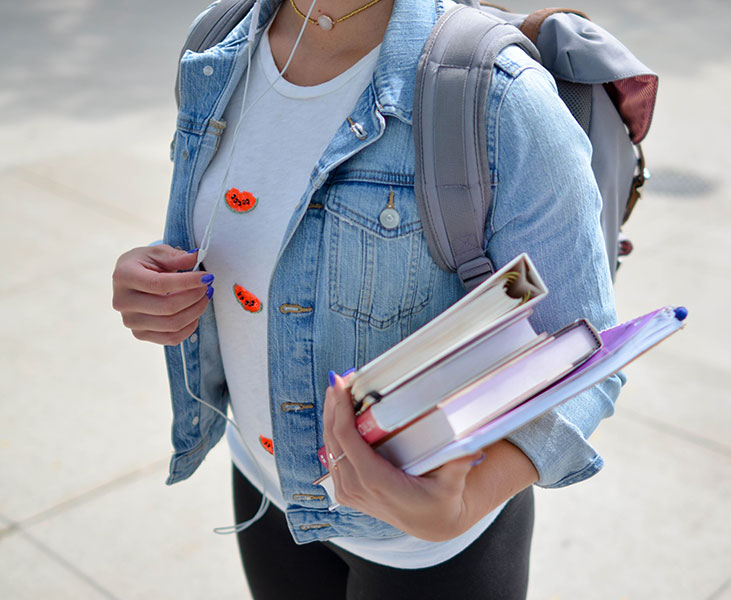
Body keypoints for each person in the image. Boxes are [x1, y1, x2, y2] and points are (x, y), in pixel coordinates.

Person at [111, 0, 622, 597]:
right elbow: (251, 230)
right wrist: (155, 278)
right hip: (265, 486)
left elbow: (584, 353)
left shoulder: (499, 96)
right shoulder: (218, 43)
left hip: (430, 549)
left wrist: (460, 507)